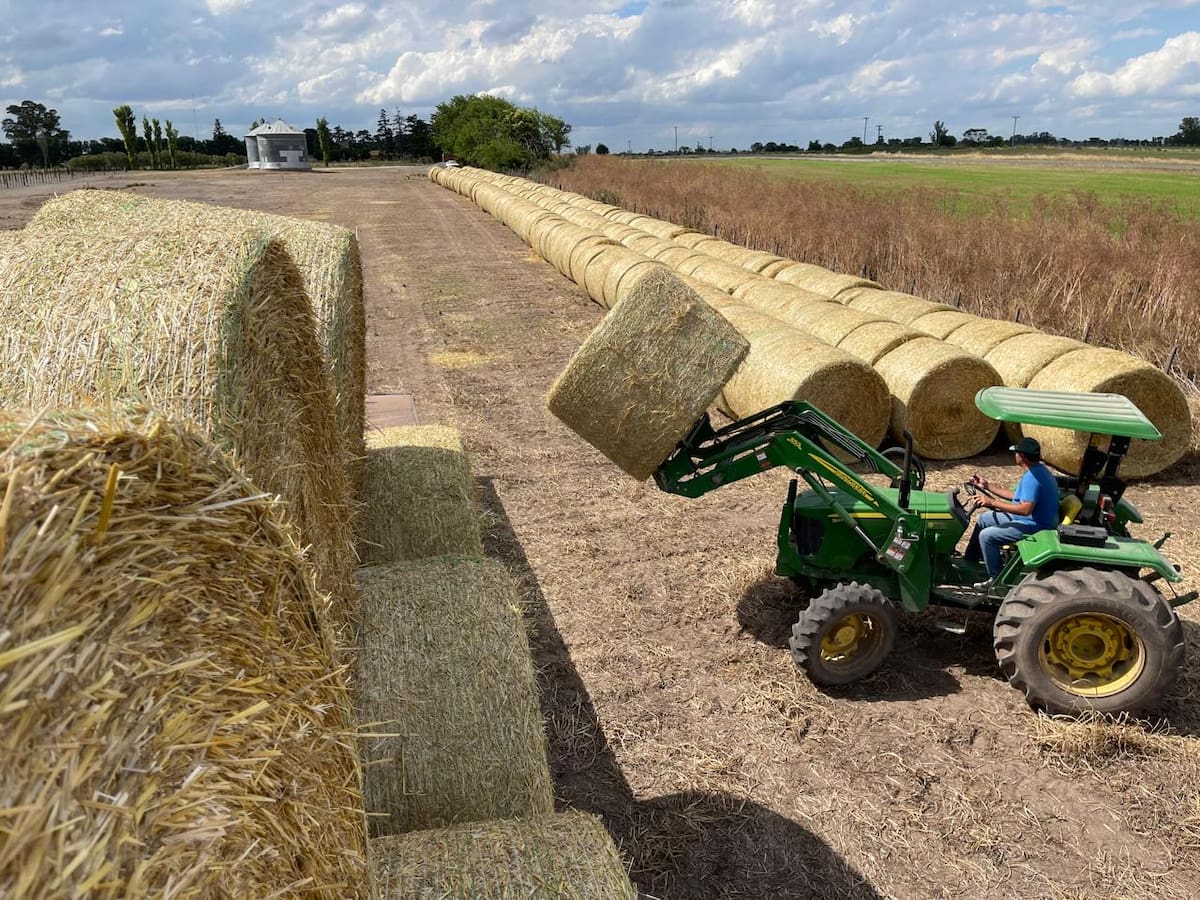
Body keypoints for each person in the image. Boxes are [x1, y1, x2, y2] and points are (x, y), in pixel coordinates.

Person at [964, 436, 1060, 589]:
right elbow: (1017, 498)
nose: (1014, 455)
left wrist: (992, 502)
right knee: (984, 518)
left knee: (986, 536)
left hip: (1036, 527)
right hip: (1033, 520)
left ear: (1021, 456)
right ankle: (971, 561)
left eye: (1016, 453)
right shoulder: (1038, 471)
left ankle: (996, 581)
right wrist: (986, 486)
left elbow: (1025, 509)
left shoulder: (1033, 478)